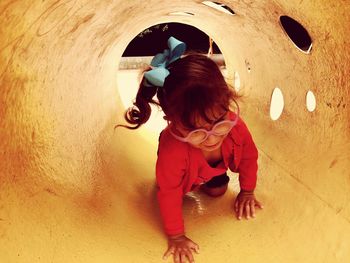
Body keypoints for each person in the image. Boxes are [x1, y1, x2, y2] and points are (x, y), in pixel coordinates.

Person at [118, 36, 263, 263]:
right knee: (173, 190)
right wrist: (176, 236)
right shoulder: (173, 149)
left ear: (227, 102)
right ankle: (191, 179)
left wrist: (247, 191)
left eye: (219, 121)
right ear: (171, 121)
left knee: (217, 192)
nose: (212, 137)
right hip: (183, 169)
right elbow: (169, 193)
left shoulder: (235, 126)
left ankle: (204, 178)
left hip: (209, 170)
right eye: (196, 130)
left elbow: (248, 158)